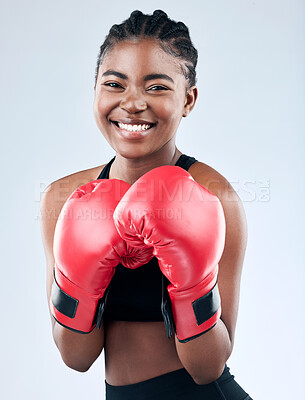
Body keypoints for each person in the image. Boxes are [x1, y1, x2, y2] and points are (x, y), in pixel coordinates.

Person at [40, 9, 252, 400]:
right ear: (96, 92)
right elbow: (76, 356)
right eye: (114, 84)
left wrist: (191, 286)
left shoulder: (212, 195)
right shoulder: (63, 197)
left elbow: (208, 368)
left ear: (188, 100)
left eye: (156, 87)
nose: (133, 103)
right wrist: (82, 284)